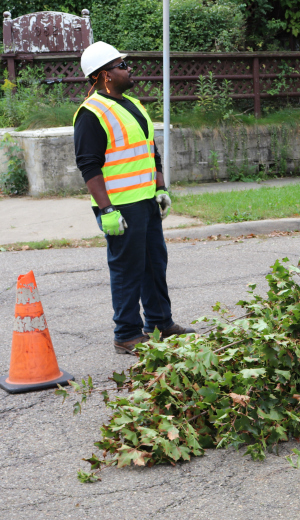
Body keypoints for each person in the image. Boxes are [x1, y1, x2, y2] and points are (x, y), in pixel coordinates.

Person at [73, 41, 195, 355]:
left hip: (146, 200)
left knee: (154, 264)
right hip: (120, 206)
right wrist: (106, 210)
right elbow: (88, 165)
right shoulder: (91, 113)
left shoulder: (133, 105)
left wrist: (161, 187)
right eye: (122, 65)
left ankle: (160, 324)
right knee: (127, 269)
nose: (129, 69)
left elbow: (149, 149)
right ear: (105, 75)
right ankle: (126, 334)